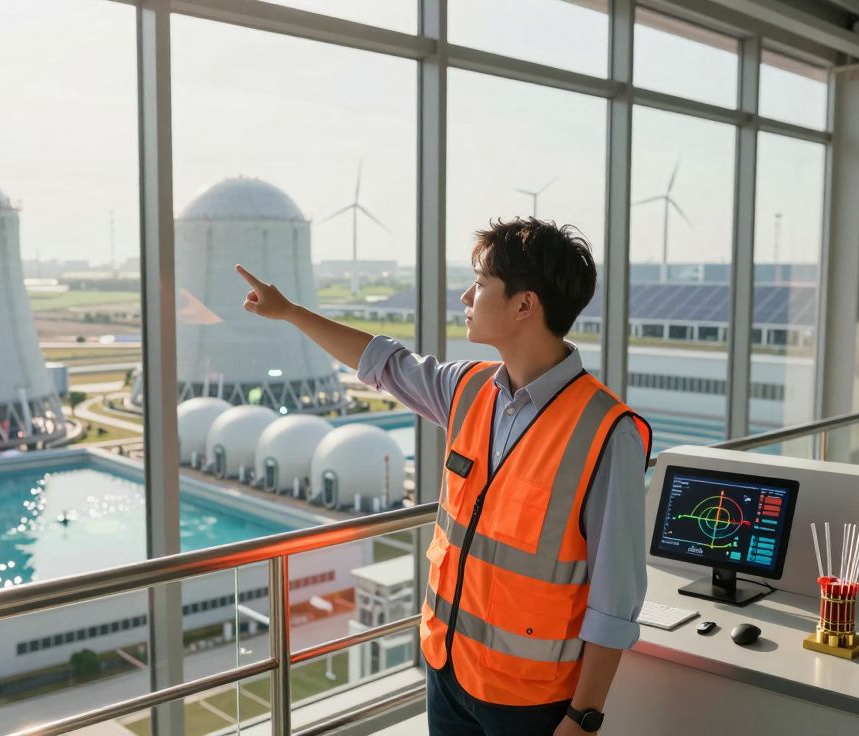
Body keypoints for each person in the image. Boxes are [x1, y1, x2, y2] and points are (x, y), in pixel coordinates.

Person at [236, 217, 651, 736]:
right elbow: (381, 362)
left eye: (479, 284)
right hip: (449, 674)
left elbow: (616, 597)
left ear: (525, 305)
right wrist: (291, 313)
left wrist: (582, 719)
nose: (465, 296)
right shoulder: (468, 389)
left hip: (531, 702)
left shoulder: (608, 433)